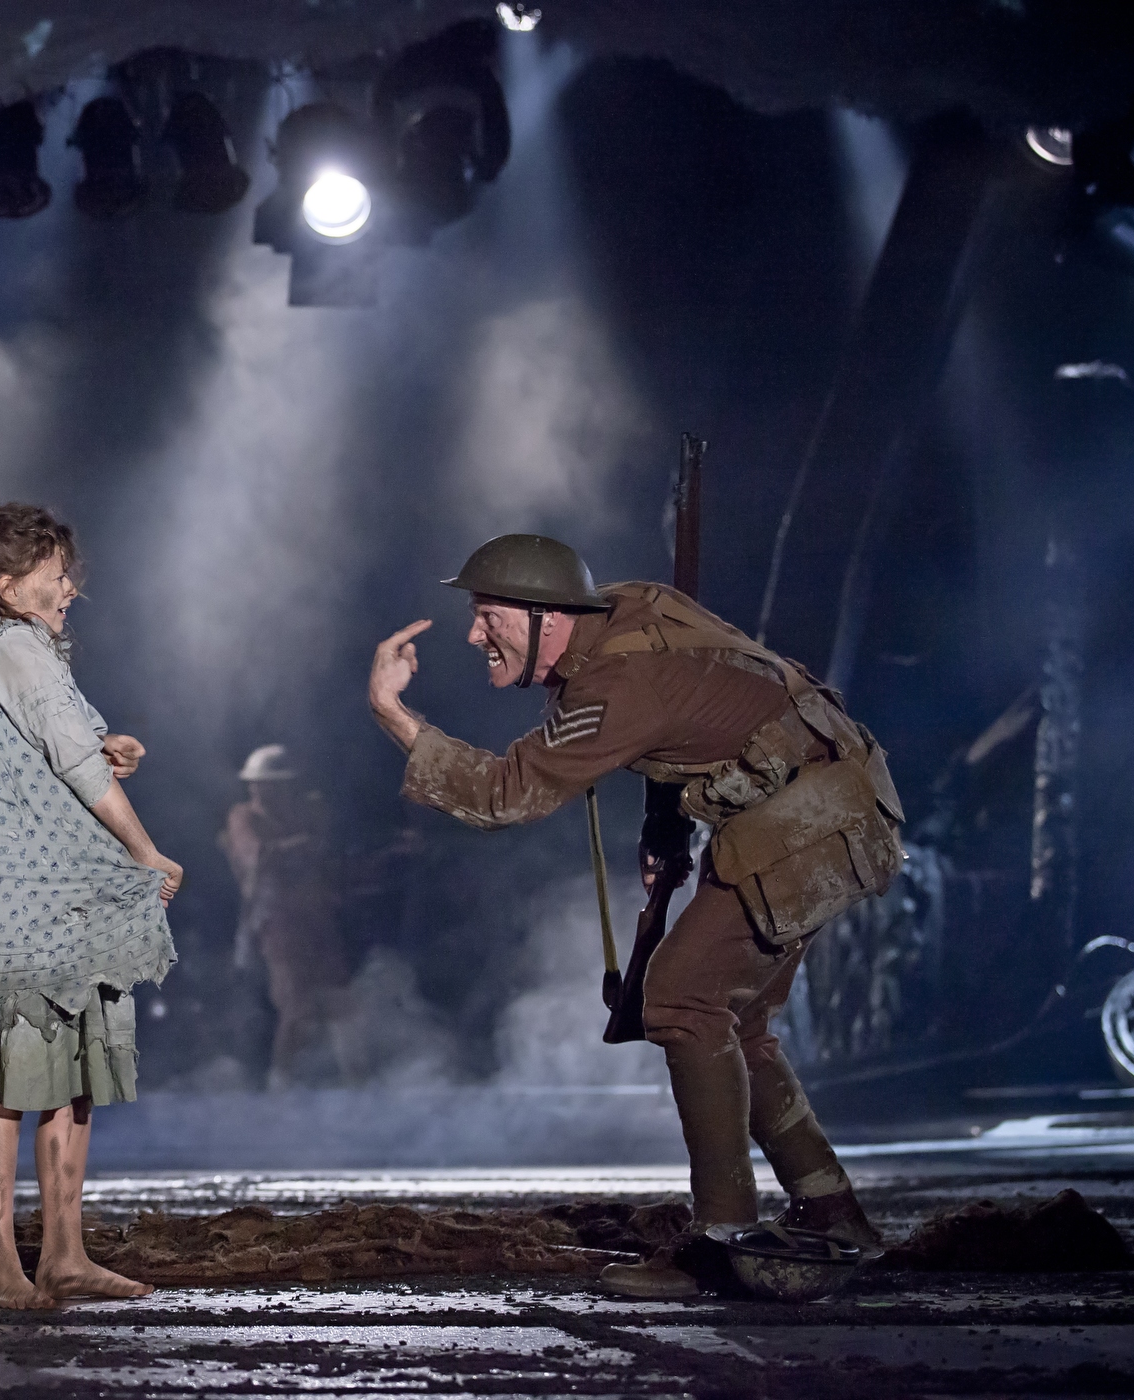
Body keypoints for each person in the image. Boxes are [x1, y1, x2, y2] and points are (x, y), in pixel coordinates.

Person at [367, 534, 903, 1299]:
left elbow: (502, 793)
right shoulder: (619, 617)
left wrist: (391, 712)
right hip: (831, 802)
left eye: (489, 615)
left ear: (549, 616)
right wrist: (666, 825)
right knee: (734, 1024)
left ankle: (722, 1242)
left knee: (684, 1001)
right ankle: (834, 1213)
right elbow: (697, 723)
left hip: (811, 820)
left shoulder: (616, 681)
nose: (472, 634)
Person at [0, 503, 180, 1308]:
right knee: (6, 1087)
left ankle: (63, 1254)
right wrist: (146, 851)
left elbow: (63, 751)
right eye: (56, 575)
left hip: (56, 896)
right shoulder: (19, 649)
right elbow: (72, 764)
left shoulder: (24, 651)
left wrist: (109, 748)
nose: (71, 588)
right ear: (9, 586)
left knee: (69, 1081)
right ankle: (3, 1267)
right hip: (18, 901)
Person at [218, 745, 349, 1087]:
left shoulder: (305, 813)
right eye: (268, 784)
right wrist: (300, 845)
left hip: (316, 920)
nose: (275, 791)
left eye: (281, 784)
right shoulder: (244, 817)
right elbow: (256, 857)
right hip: (276, 923)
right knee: (296, 1005)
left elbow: (327, 864)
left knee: (341, 1002)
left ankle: (355, 1079)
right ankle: (282, 1082)